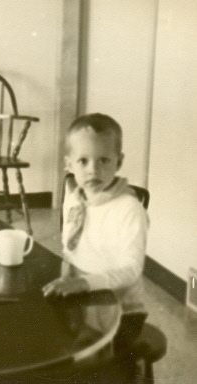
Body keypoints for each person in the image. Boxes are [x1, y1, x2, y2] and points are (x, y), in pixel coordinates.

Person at [42, 113, 149, 318]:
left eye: (104, 160)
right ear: (69, 164)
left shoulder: (129, 208)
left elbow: (131, 270)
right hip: (82, 294)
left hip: (121, 310)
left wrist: (84, 283)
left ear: (118, 163)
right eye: (83, 161)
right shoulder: (74, 197)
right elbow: (71, 249)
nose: (93, 170)